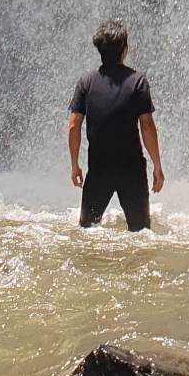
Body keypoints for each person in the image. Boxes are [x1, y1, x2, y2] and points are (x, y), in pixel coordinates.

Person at [68, 20, 164, 230]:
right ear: (124, 49)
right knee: (140, 232)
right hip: (131, 170)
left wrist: (74, 164)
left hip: (98, 169)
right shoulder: (138, 81)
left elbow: (74, 125)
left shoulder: (86, 82)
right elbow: (147, 126)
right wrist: (157, 165)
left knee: (87, 231)